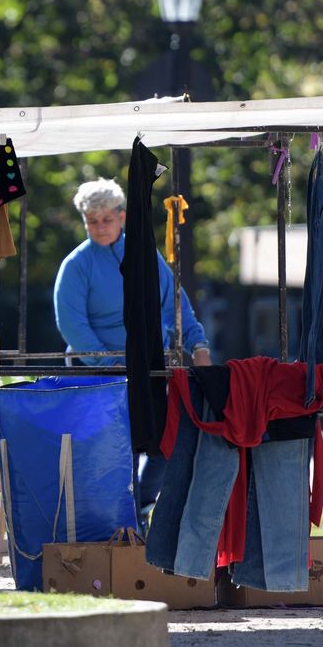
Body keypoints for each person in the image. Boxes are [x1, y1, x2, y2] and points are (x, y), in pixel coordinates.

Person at [53, 178, 212, 517]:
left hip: (148, 366)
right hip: (97, 374)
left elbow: (174, 304)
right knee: (114, 451)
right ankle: (117, 518)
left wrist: (198, 344)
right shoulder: (75, 265)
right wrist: (111, 364)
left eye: (106, 219)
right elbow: (73, 325)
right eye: (92, 221)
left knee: (167, 444)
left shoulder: (145, 255)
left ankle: (134, 510)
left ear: (123, 217)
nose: (99, 227)